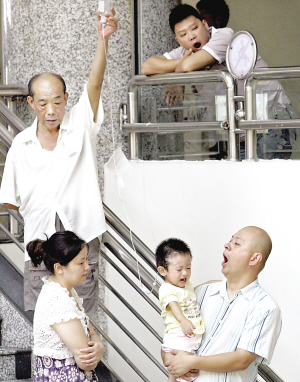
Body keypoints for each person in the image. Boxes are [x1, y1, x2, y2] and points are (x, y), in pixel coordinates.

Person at [0, 8, 119, 314]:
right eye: (42, 103)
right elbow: (10, 201)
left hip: (81, 236)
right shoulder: (21, 145)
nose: (51, 110)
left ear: (66, 99)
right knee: (45, 320)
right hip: (41, 241)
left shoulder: (80, 125)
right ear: (30, 103)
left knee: (83, 318)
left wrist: (102, 40)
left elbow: (94, 83)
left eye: (56, 101)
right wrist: (39, 205)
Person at [141, 4, 295, 160]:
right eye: (183, 34)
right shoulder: (185, 53)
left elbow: (189, 65)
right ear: (178, 40)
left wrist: (177, 74)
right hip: (237, 128)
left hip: (270, 118)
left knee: (264, 177)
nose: (191, 36)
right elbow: (147, 67)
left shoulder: (224, 36)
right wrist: (179, 70)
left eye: (194, 28)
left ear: (205, 24)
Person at [164, 226, 282, 382]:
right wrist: (171, 359)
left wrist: (192, 362)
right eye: (230, 240)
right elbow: (174, 337)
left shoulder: (266, 308)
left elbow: (242, 360)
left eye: (237, 243)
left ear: (254, 259)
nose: (227, 244)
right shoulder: (201, 292)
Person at [27, 230, 105, 382]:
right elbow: (86, 361)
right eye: (81, 262)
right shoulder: (58, 300)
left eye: (87, 260)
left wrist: (99, 346)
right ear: (59, 267)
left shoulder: (64, 291)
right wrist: (99, 347)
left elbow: (91, 334)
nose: (87, 267)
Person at [156, 238, 205, 382]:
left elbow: (192, 292)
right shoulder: (166, 289)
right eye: (179, 269)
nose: (185, 273)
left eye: (188, 268)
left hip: (188, 335)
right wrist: (183, 320)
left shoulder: (186, 285)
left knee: (180, 374)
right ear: (162, 270)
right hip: (179, 335)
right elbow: (173, 304)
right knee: (181, 373)